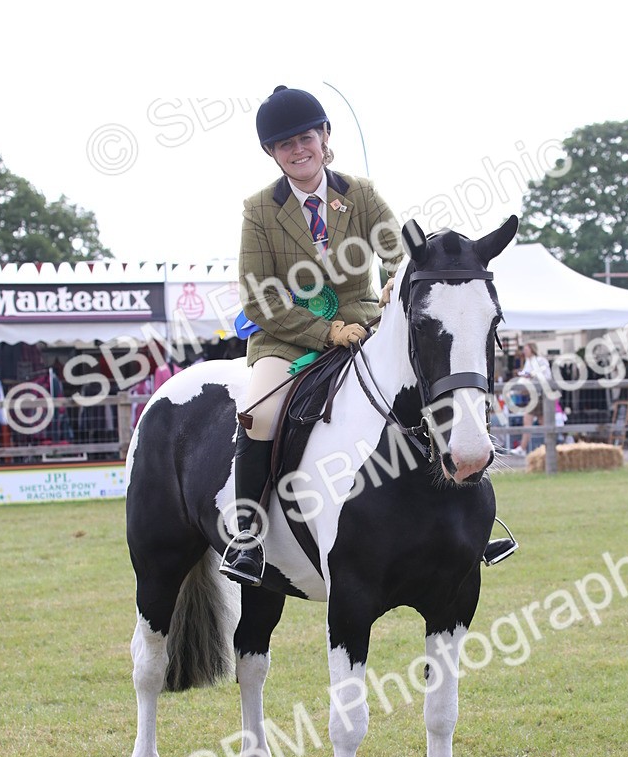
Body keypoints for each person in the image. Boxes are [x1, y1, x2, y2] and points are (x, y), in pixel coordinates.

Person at [221, 84, 517, 583]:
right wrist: (322, 331)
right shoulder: (258, 210)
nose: (298, 150)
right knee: (259, 414)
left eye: (305, 138)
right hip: (286, 338)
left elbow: (397, 251)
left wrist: (395, 285)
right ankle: (248, 535)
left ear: (324, 136)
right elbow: (260, 298)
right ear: (272, 154)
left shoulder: (359, 193)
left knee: (431, 392)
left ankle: (474, 522)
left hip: (365, 327)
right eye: (284, 144)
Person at [517, 342, 553, 454]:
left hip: (541, 394)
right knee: (543, 422)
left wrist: (531, 375)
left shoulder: (541, 360)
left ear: (532, 349)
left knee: (528, 419)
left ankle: (522, 448)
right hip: (533, 394)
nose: (524, 351)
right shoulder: (528, 361)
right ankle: (551, 446)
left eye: (526, 349)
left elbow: (547, 376)